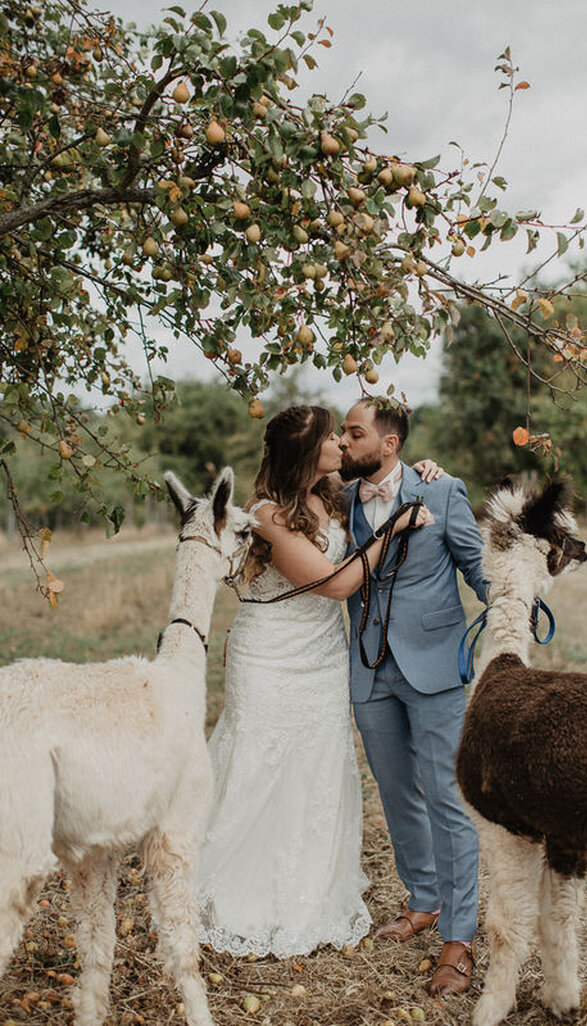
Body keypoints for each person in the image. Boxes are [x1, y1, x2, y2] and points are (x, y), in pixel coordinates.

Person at [196, 405, 435, 959]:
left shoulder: (330, 495)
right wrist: (393, 530)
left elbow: (381, 479)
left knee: (318, 767)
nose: (340, 443)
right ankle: (243, 895)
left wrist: (422, 470)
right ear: (309, 453)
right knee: (261, 764)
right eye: (332, 437)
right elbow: (333, 583)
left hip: (323, 655)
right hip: (272, 655)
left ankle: (310, 890)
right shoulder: (265, 514)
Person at [339, 398, 488, 998]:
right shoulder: (341, 498)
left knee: (448, 799)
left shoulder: (444, 491)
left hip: (435, 667)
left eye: (355, 434)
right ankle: (423, 899)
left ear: (390, 443)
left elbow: (477, 568)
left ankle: (459, 936)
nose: (344, 444)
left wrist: (514, 602)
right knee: (397, 794)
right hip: (370, 670)